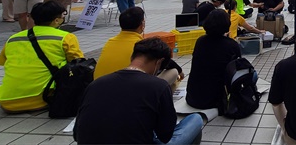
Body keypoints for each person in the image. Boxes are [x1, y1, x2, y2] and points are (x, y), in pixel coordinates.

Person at [74, 37, 204, 145]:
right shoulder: (158, 86)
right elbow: (165, 136)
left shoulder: (96, 84)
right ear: (159, 62)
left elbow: (76, 133)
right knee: (196, 119)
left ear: (133, 56)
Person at [0, 1, 84, 113]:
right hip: (42, 98)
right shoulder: (66, 37)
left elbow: (3, 62)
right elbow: (79, 64)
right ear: (56, 20)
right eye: (63, 16)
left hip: (7, 102)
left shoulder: (13, 38)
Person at [94, 7, 183, 87]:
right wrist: (180, 72)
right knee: (174, 72)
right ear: (142, 24)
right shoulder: (141, 44)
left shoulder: (110, 42)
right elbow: (168, 63)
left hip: (100, 87)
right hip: (128, 90)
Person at [186, 9, 241, 109]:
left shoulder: (200, 41)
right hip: (216, 99)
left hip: (192, 96)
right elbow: (236, 68)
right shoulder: (232, 45)